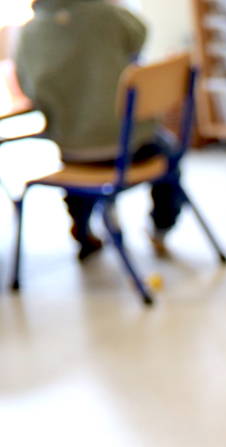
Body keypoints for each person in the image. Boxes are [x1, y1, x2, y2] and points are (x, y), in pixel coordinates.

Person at [14, 0, 182, 260]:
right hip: (133, 147)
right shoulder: (107, 13)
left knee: (74, 154)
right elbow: (139, 37)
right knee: (169, 151)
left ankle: (83, 231)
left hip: (74, 152)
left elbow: (27, 90)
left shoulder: (27, 34)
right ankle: (162, 224)